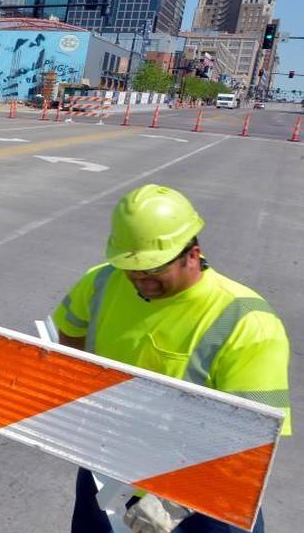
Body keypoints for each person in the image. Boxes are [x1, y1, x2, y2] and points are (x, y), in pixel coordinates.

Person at [53, 184, 291, 533]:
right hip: (107, 467)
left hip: (199, 496)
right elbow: (69, 329)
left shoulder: (247, 323)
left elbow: (254, 443)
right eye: (130, 267)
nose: (138, 279)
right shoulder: (103, 280)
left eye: (152, 269)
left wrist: (175, 501)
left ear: (192, 254)